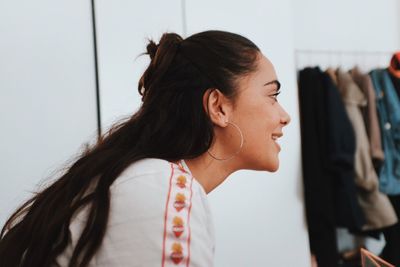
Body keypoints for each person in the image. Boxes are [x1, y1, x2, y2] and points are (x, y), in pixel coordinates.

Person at [0, 30, 290, 266]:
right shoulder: (160, 188)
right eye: (272, 95)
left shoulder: (146, 180)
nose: (284, 116)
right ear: (218, 107)